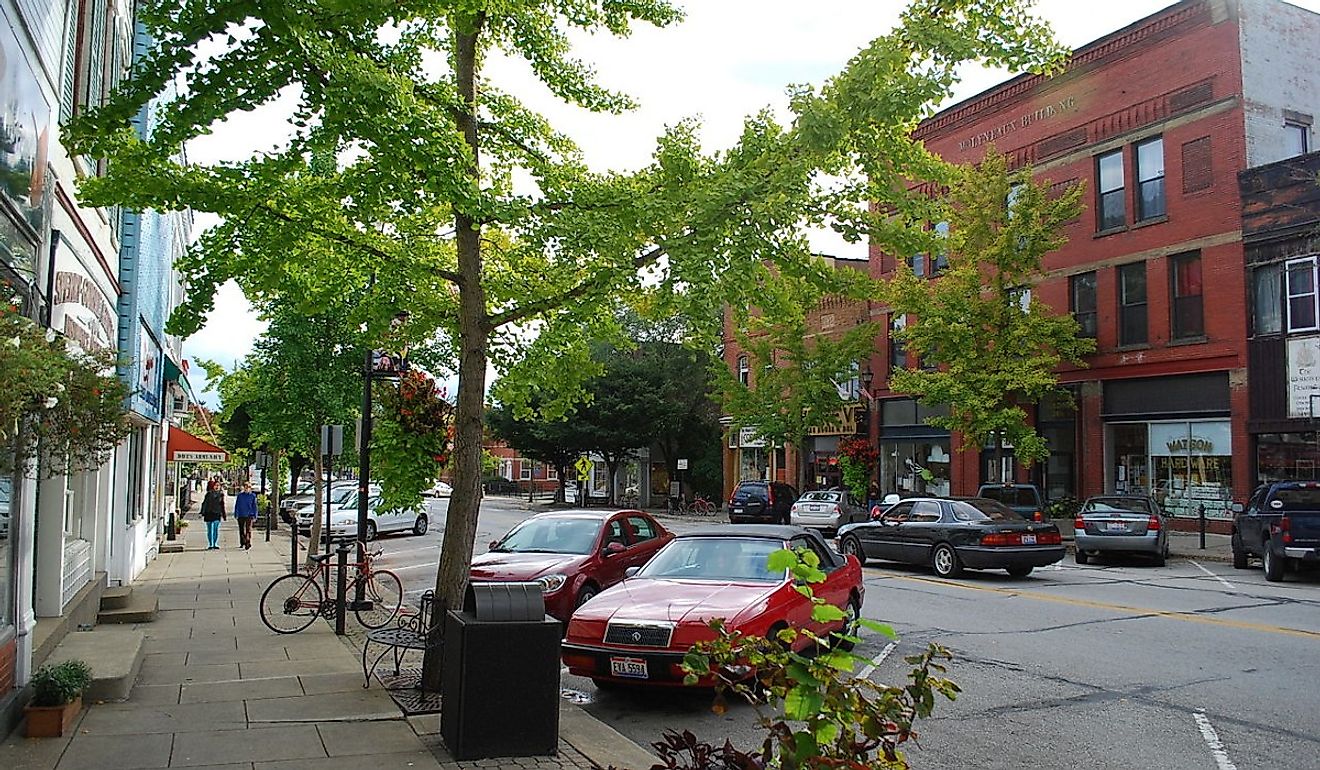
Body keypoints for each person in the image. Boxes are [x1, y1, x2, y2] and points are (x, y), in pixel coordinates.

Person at [200, 481, 227, 550]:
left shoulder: (221, 495)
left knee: (215, 529)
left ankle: (215, 543)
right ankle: (210, 544)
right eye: (216, 485)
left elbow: (222, 505)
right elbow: (204, 503)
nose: (217, 487)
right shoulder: (209, 494)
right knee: (210, 529)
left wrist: (224, 515)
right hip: (209, 513)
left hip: (217, 513)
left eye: (218, 485)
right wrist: (202, 512)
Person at [234, 481, 258, 550]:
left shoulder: (252, 496)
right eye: (245, 487)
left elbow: (254, 506)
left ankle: (248, 542)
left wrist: (255, 515)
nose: (246, 489)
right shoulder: (240, 496)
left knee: (248, 529)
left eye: (248, 487)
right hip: (241, 514)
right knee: (242, 530)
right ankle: (242, 542)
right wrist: (236, 513)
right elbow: (237, 505)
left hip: (249, 515)